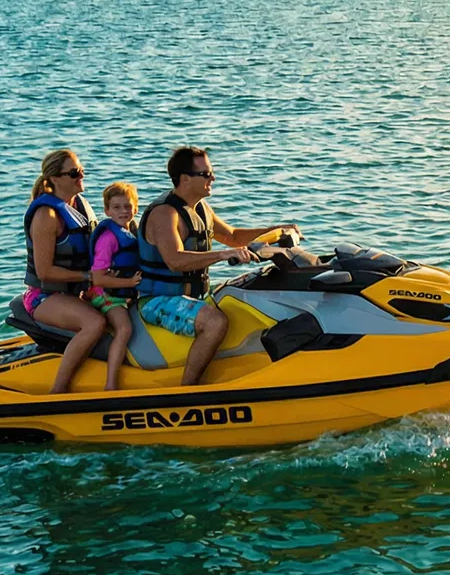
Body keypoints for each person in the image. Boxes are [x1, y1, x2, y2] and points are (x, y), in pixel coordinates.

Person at [136, 146, 299, 386]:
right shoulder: (165, 214)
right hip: (158, 299)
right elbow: (175, 260)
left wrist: (278, 231)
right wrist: (223, 255)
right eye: (207, 174)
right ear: (185, 179)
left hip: (194, 295)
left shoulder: (199, 208)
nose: (213, 178)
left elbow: (233, 236)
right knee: (216, 322)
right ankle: (188, 390)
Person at [22, 149, 104, 394]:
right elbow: (44, 272)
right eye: (74, 173)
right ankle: (58, 391)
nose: (82, 176)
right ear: (56, 179)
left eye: (81, 170)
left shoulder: (80, 206)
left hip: (77, 293)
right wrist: (88, 277)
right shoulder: (46, 215)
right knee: (94, 323)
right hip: (44, 296)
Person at [86, 181, 142, 391]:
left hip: (123, 292)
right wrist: (128, 282)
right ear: (107, 210)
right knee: (124, 328)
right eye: (117, 207)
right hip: (106, 294)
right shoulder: (109, 239)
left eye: (128, 206)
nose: (123, 211)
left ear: (135, 208)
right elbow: (98, 278)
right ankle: (111, 384)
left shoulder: (133, 232)